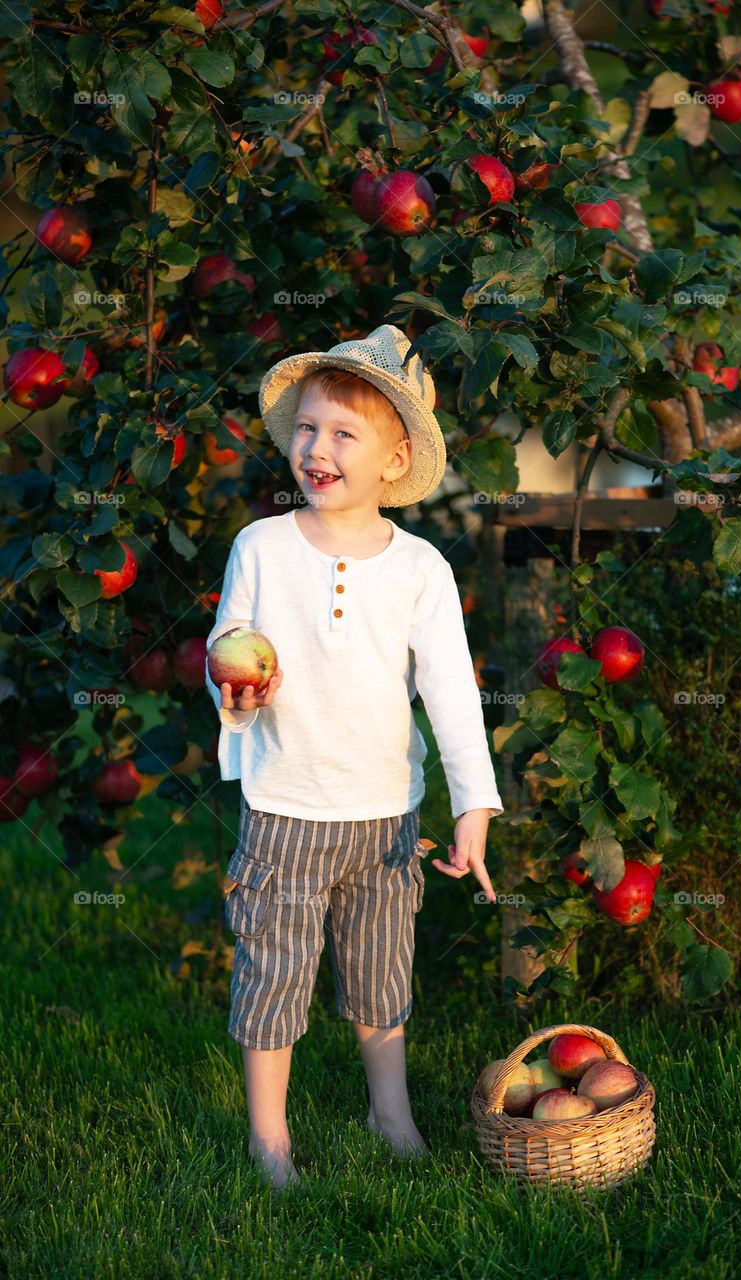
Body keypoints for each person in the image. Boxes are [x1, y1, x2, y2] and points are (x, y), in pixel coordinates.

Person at [205, 323, 504, 1190]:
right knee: (273, 976)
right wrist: (236, 695)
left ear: (393, 459)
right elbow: (230, 648)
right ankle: (269, 1139)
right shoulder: (261, 548)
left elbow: (450, 693)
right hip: (286, 810)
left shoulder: (420, 569)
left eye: (343, 433)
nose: (316, 448)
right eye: (306, 427)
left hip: (384, 817)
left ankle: (390, 1113)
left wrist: (472, 805)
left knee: (381, 979)